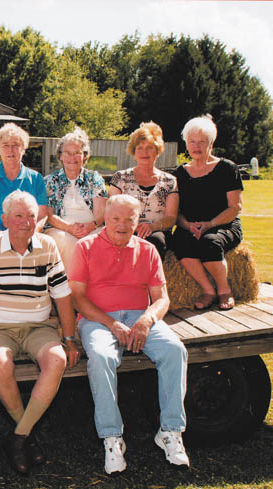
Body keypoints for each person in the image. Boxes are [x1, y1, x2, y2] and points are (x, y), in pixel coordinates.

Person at [68, 194, 189, 475]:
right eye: (115, 219)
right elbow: (77, 298)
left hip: (138, 316)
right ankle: (112, 438)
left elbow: (162, 299)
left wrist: (147, 319)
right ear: (105, 219)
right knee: (100, 357)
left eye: (129, 220)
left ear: (138, 222)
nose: (122, 226)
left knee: (175, 350)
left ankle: (170, 432)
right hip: (97, 318)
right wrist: (111, 324)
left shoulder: (147, 250)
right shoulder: (85, 246)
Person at [0, 191, 81, 475]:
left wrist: (68, 338)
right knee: (1, 363)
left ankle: (18, 438)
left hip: (38, 326)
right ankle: (26, 436)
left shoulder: (48, 245)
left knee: (57, 360)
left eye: (31, 216)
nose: (26, 222)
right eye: (18, 215)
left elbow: (63, 295)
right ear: (4, 219)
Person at [171, 115, 243, 311]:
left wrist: (210, 224)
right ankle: (208, 290)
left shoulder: (227, 168)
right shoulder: (179, 173)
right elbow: (175, 210)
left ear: (211, 143)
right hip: (190, 226)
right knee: (180, 242)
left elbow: (235, 207)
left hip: (223, 225)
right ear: (186, 143)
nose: (196, 146)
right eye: (192, 141)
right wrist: (186, 225)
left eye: (202, 141)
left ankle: (224, 290)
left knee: (209, 242)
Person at [109, 122, 178, 257]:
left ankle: (148, 278)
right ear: (133, 153)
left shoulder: (169, 181)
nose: (144, 152)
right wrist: (129, 227)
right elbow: (111, 212)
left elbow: (171, 217)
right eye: (139, 148)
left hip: (157, 230)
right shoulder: (121, 178)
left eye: (149, 148)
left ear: (157, 151)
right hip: (125, 228)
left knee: (155, 241)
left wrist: (152, 227)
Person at [0, 122, 48, 247]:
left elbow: (42, 215)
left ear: (24, 149)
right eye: (5, 145)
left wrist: (30, 234)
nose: (10, 150)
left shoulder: (36, 179)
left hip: (27, 232)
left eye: (15, 145)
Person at [44, 127, 107, 267]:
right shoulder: (50, 180)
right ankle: (72, 285)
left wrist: (88, 227)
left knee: (99, 240)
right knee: (67, 242)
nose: (72, 158)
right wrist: (70, 228)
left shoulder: (94, 178)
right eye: (67, 153)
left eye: (77, 153)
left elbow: (101, 213)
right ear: (60, 155)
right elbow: (49, 215)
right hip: (61, 229)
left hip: (92, 228)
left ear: (84, 156)